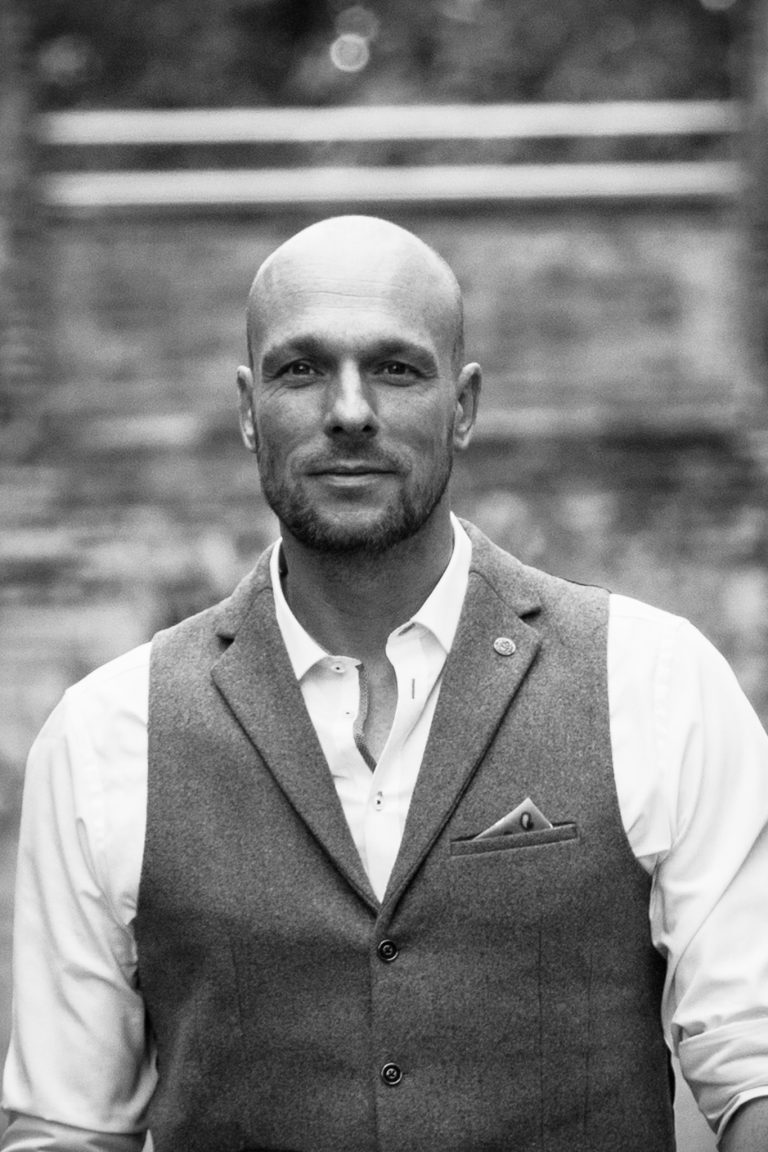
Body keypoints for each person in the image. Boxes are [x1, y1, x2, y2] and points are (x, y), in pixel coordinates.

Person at [2, 215, 768, 1152]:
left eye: (397, 369)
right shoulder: (105, 735)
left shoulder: (654, 682)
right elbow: (66, 1127)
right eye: (301, 369)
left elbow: (756, 1065)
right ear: (248, 409)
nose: (350, 410)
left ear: (464, 406)